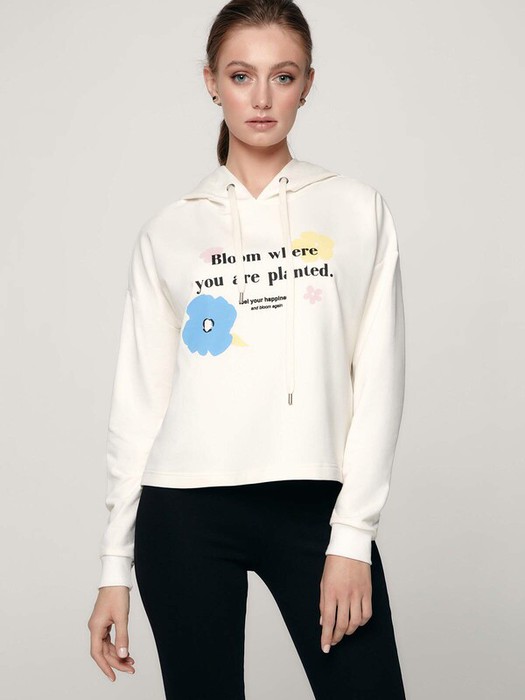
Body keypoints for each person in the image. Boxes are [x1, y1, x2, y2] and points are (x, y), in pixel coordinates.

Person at [87, 1, 407, 697]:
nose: (261, 98)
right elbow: (139, 405)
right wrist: (115, 566)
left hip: (313, 505)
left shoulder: (357, 210)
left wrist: (352, 535)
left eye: (282, 76)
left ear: (307, 84)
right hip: (184, 511)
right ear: (211, 82)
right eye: (240, 76)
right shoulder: (169, 231)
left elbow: (379, 379)